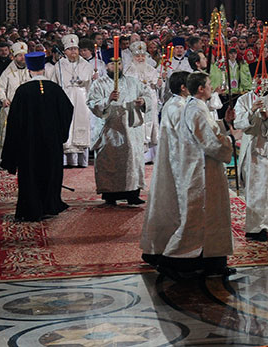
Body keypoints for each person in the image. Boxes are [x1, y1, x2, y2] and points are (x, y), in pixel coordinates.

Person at [169, 71, 236, 277]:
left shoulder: (196, 106)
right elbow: (210, 141)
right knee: (204, 217)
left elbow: (209, 129)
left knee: (210, 216)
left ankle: (213, 261)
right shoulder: (196, 109)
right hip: (203, 170)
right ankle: (181, 262)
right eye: (208, 84)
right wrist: (231, 141)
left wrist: (224, 123)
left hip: (204, 168)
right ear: (201, 88)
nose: (211, 88)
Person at [0, 52, 74, 221]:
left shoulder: (23, 91)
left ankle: (31, 208)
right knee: (50, 172)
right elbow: (67, 111)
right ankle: (50, 205)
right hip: (51, 142)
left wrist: (14, 147)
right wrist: (60, 134)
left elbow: (14, 121)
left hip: (29, 144)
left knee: (31, 174)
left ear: (29, 70)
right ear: (43, 69)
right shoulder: (55, 89)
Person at [141, 71, 190, 265]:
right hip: (175, 162)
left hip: (173, 159)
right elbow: (185, 135)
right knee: (170, 205)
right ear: (183, 87)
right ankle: (165, 249)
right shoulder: (178, 107)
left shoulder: (177, 104)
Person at [87, 57, 151, 205]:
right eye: (112, 64)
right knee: (110, 161)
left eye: (119, 63)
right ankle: (110, 195)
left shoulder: (133, 82)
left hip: (131, 129)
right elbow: (92, 103)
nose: (116, 67)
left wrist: (143, 101)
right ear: (106, 66)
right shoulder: (99, 84)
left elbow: (147, 94)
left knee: (131, 161)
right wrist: (108, 100)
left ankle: (132, 194)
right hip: (110, 130)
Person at [235, 79, 268, 241]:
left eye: (262, 78)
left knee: (266, 188)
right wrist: (251, 111)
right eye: (256, 78)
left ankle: (262, 226)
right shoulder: (243, 100)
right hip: (250, 148)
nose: (259, 81)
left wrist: (267, 118)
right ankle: (254, 224)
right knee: (251, 187)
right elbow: (238, 122)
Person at [48, 34, 94, 168]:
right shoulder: (59, 66)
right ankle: (65, 161)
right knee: (66, 127)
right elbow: (54, 83)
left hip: (81, 99)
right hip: (65, 98)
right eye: (70, 49)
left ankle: (81, 161)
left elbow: (90, 85)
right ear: (65, 51)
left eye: (75, 49)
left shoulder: (86, 65)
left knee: (80, 127)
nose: (73, 51)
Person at [124, 40, 162, 163]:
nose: (140, 58)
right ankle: (139, 155)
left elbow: (158, 86)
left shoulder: (151, 69)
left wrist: (160, 83)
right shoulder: (128, 70)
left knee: (151, 125)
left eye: (142, 56)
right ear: (133, 57)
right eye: (137, 56)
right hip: (135, 100)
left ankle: (151, 156)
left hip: (150, 100)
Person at [0, 42, 31, 165]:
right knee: (7, 134)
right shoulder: (7, 71)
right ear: (14, 56)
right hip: (10, 108)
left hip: (27, 109)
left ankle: (25, 160)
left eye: (24, 55)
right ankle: (5, 160)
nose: (22, 58)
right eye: (19, 55)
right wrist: (3, 99)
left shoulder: (31, 70)